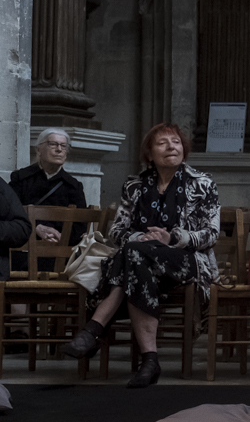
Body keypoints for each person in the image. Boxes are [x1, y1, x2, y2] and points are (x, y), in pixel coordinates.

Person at [60, 124, 220, 389]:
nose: (171, 147)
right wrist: (139, 239)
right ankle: (149, 360)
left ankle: (95, 330)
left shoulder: (202, 184)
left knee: (131, 257)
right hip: (140, 261)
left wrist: (172, 238)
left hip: (186, 260)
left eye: (176, 142)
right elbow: (118, 231)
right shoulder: (134, 185)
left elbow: (211, 233)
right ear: (149, 153)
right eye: (162, 143)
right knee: (135, 256)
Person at [10, 129, 88, 274]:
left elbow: (80, 227)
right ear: (39, 149)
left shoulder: (73, 186)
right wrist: (36, 229)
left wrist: (60, 236)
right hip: (23, 252)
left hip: (59, 255)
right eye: (53, 144)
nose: (59, 149)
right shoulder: (20, 179)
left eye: (63, 146)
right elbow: (10, 214)